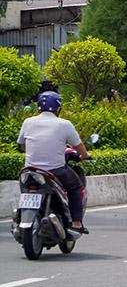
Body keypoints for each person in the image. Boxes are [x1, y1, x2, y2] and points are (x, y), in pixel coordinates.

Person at [17, 91, 91, 232]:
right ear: (58, 108)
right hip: (54, 171)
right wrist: (85, 155)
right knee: (76, 188)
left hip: (29, 170)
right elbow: (79, 146)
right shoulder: (64, 124)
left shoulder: (28, 122)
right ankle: (76, 223)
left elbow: (21, 143)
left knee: (25, 189)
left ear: (39, 107)